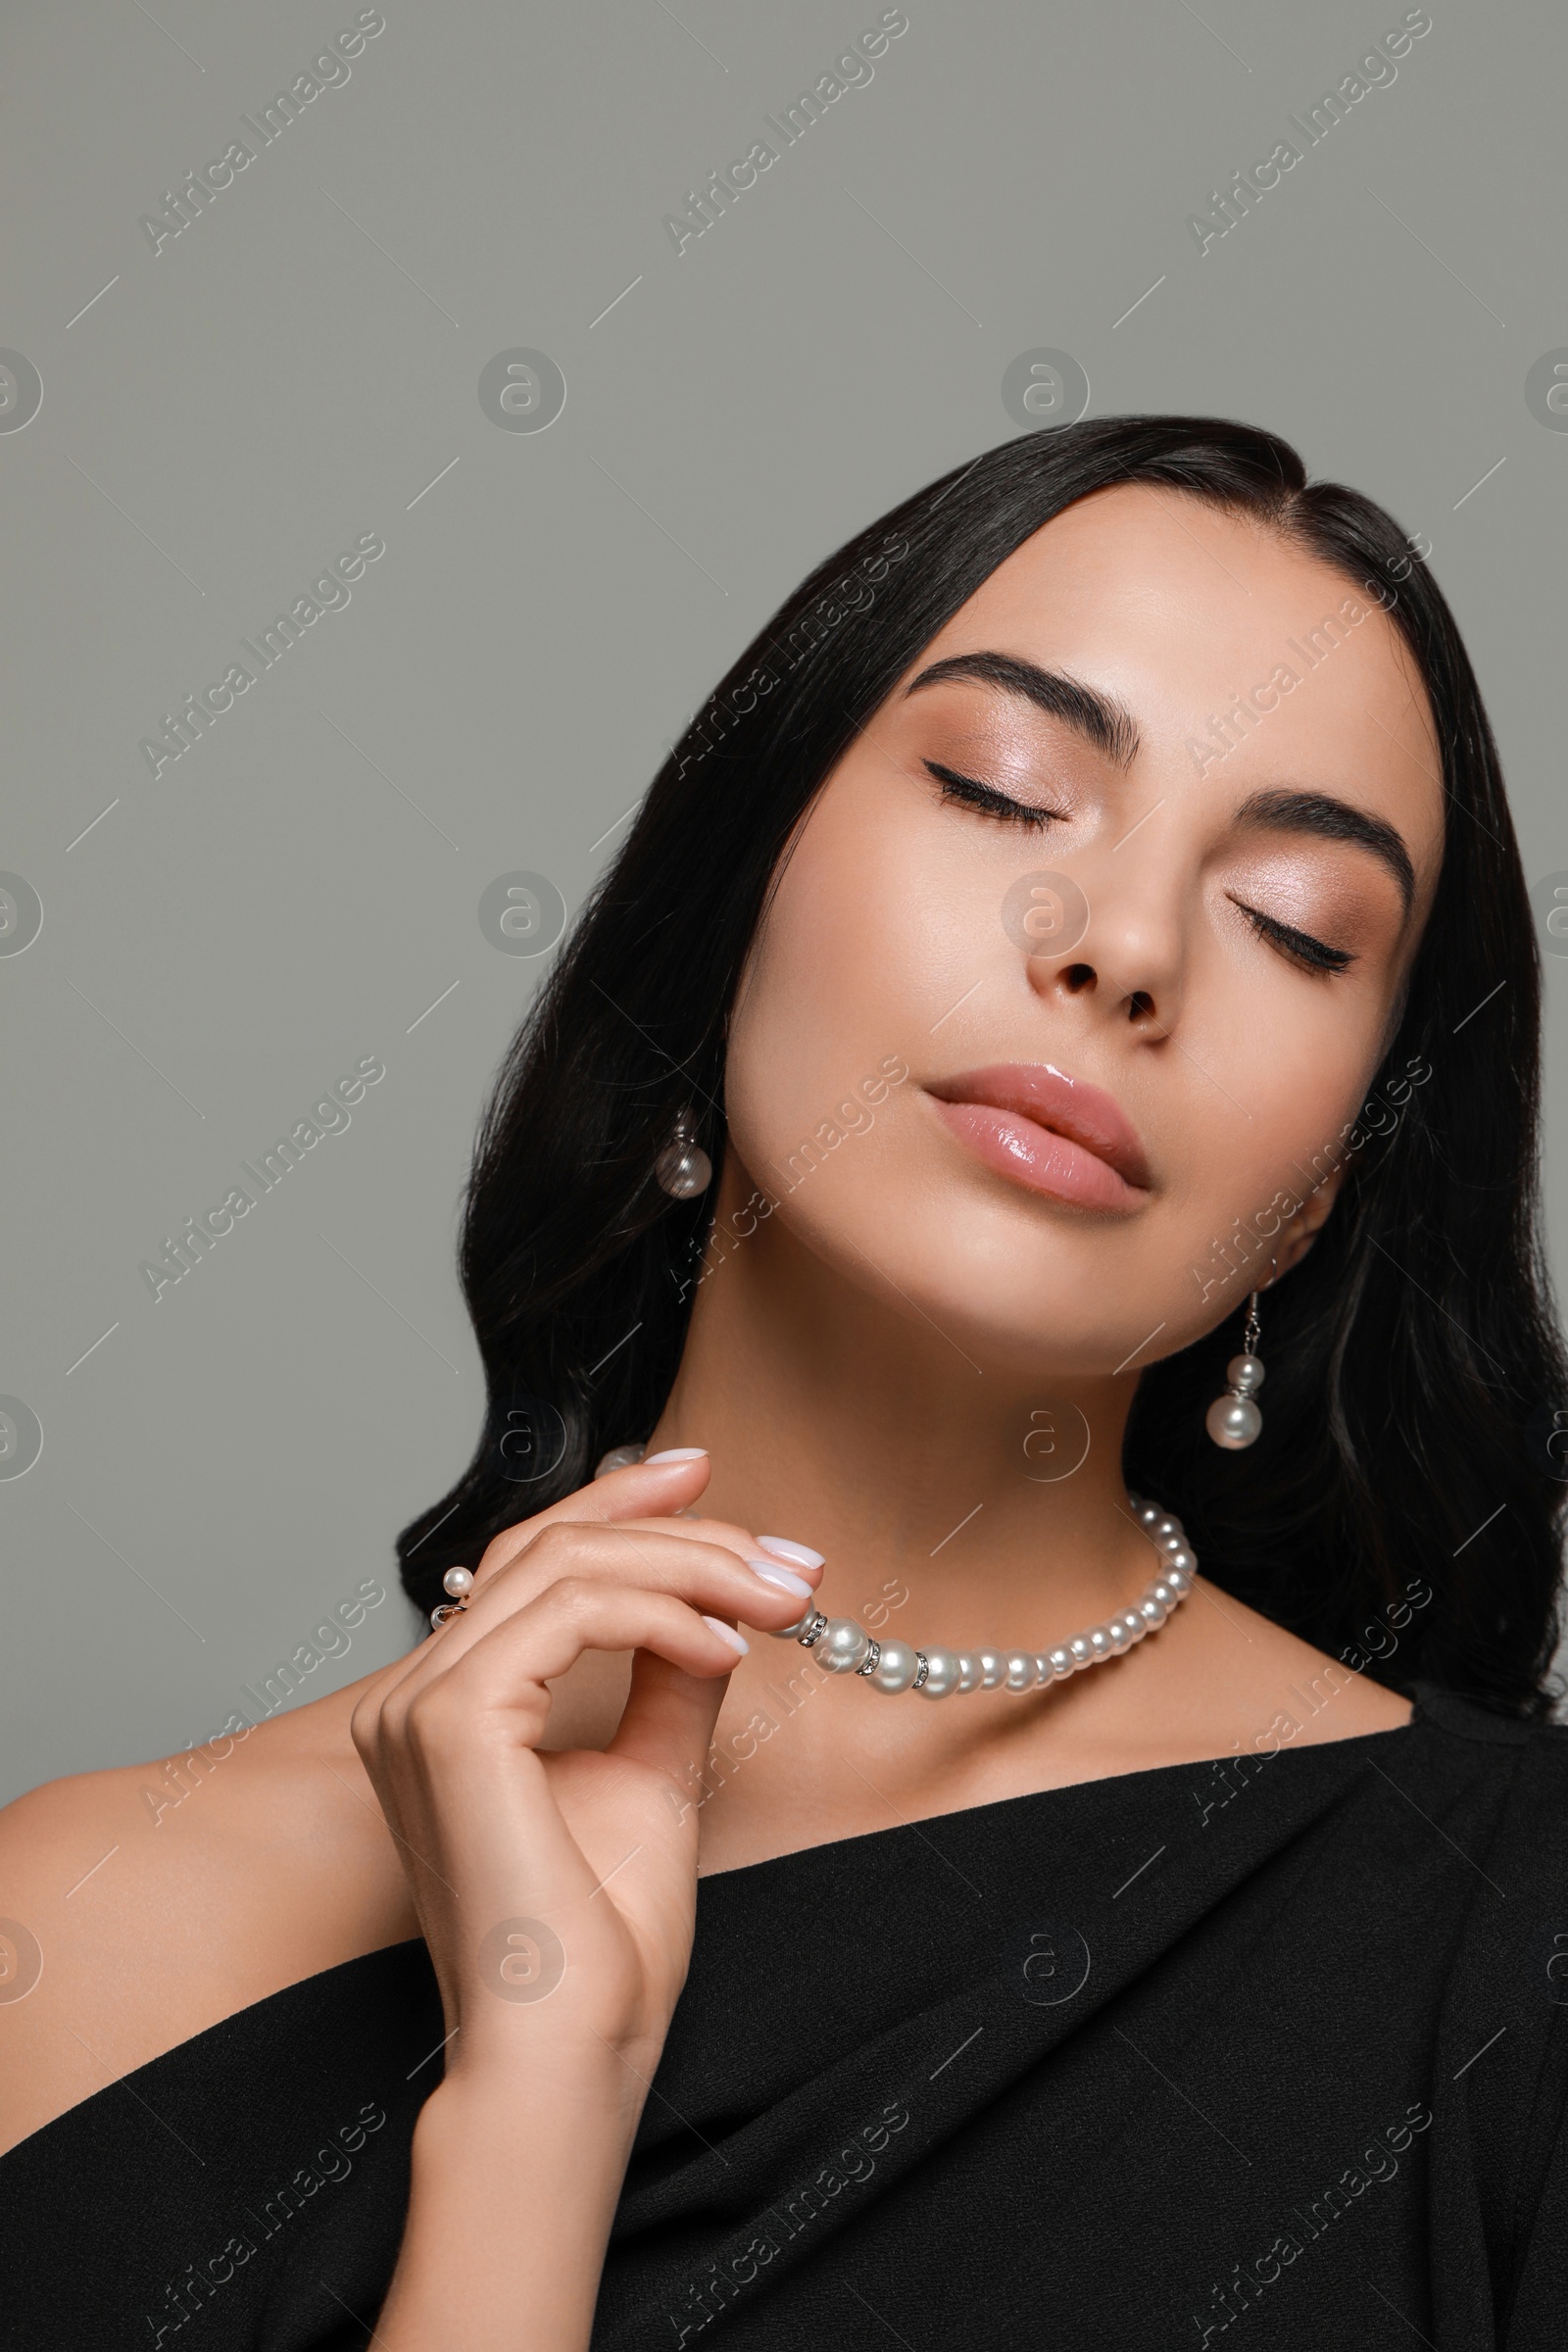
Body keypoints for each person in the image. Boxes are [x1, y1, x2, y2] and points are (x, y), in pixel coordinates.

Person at [2, 416, 1565, 2351]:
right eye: (1004, 789)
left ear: (1324, 1179)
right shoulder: (76, 1945)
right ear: (724, 906)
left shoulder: (1503, 1952)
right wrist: (527, 2115)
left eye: (1293, 928)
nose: (1128, 950)